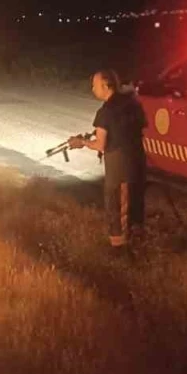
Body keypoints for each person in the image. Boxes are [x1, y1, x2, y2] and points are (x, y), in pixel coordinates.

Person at [69, 70, 147, 247]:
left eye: (94, 85)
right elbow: (138, 127)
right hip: (138, 164)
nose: (92, 89)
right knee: (136, 206)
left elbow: (100, 145)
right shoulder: (132, 103)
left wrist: (81, 142)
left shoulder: (105, 111)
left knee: (118, 208)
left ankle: (120, 249)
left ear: (105, 86)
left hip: (119, 170)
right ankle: (138, 244)